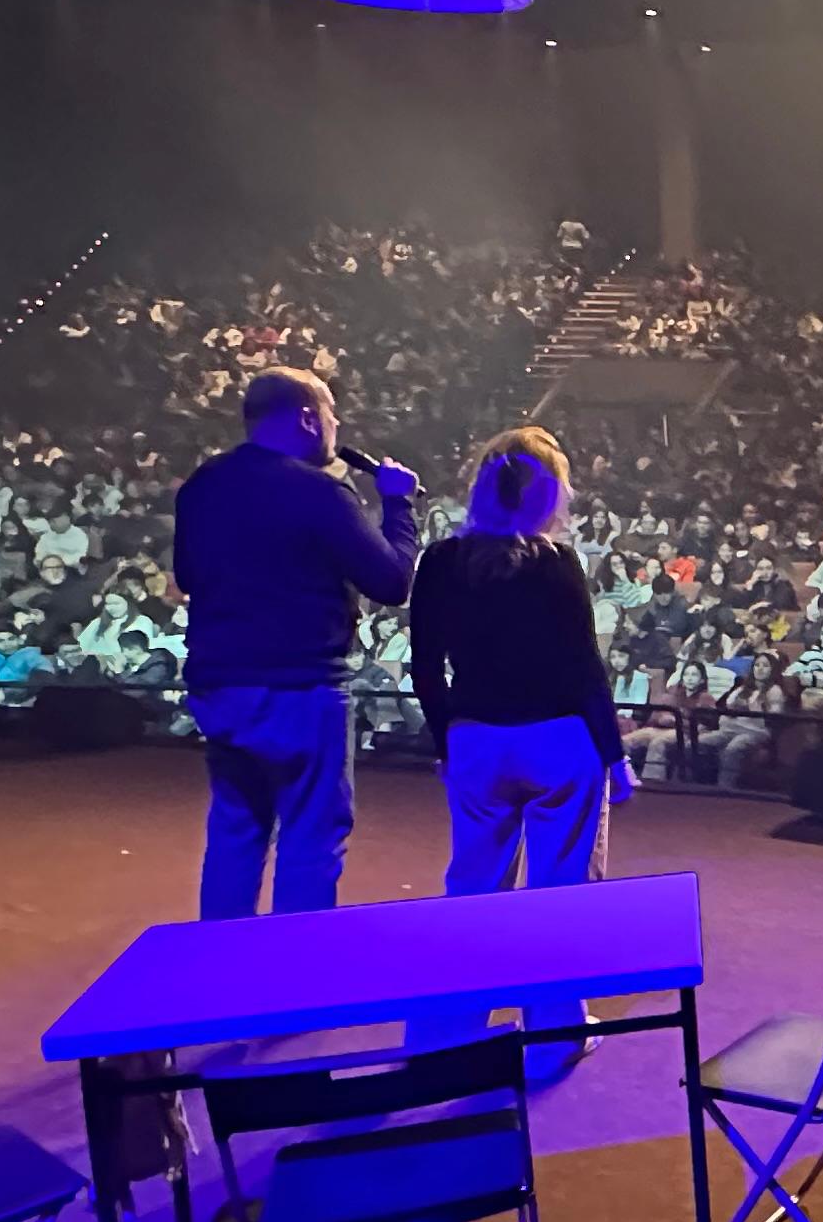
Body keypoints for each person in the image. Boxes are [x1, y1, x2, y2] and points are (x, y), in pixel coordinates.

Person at [173, 366, 422, 918]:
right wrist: (398, 507)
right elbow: (391, 582)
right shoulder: (319, 492)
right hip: (301, 689)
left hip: (221, 687)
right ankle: (293, 975)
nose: (336, 428)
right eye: (332, 415)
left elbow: (187, 576)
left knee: (237, 832)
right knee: (312, 835)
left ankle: (224, 971)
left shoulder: (202, 486)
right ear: (309, 418)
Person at [410, 424, 635, 925]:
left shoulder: (442, 560)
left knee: (475, 887)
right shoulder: (557, 563)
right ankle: (552, 1005)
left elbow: (424, 666)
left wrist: (449, 743)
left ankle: (466, 999)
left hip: (477, 737)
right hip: (559, 739)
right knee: (561, 894)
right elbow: (583, 666)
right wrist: (614, 757)